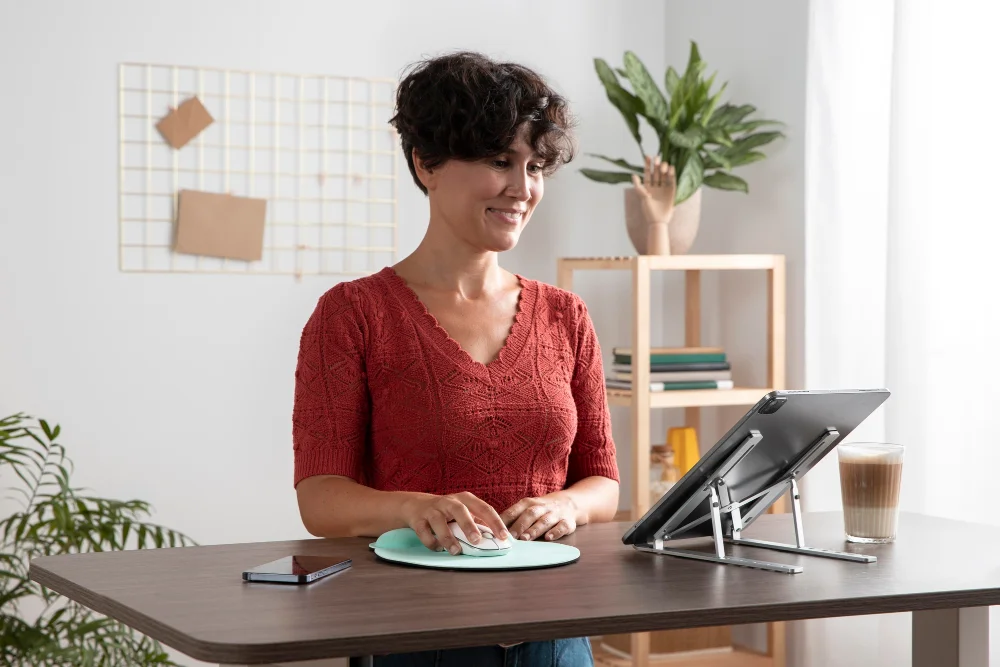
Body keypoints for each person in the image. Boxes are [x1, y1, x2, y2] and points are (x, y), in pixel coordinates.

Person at [292, 51, 620, 667]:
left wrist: (567, 505)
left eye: (536, 166)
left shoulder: (565, 316)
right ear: (427, 163)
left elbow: (603, 482)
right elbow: (320, 501)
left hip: (558, 636)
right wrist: (414, 506)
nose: (523, 189)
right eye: (500, 162)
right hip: (417, 638)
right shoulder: (352, 315)